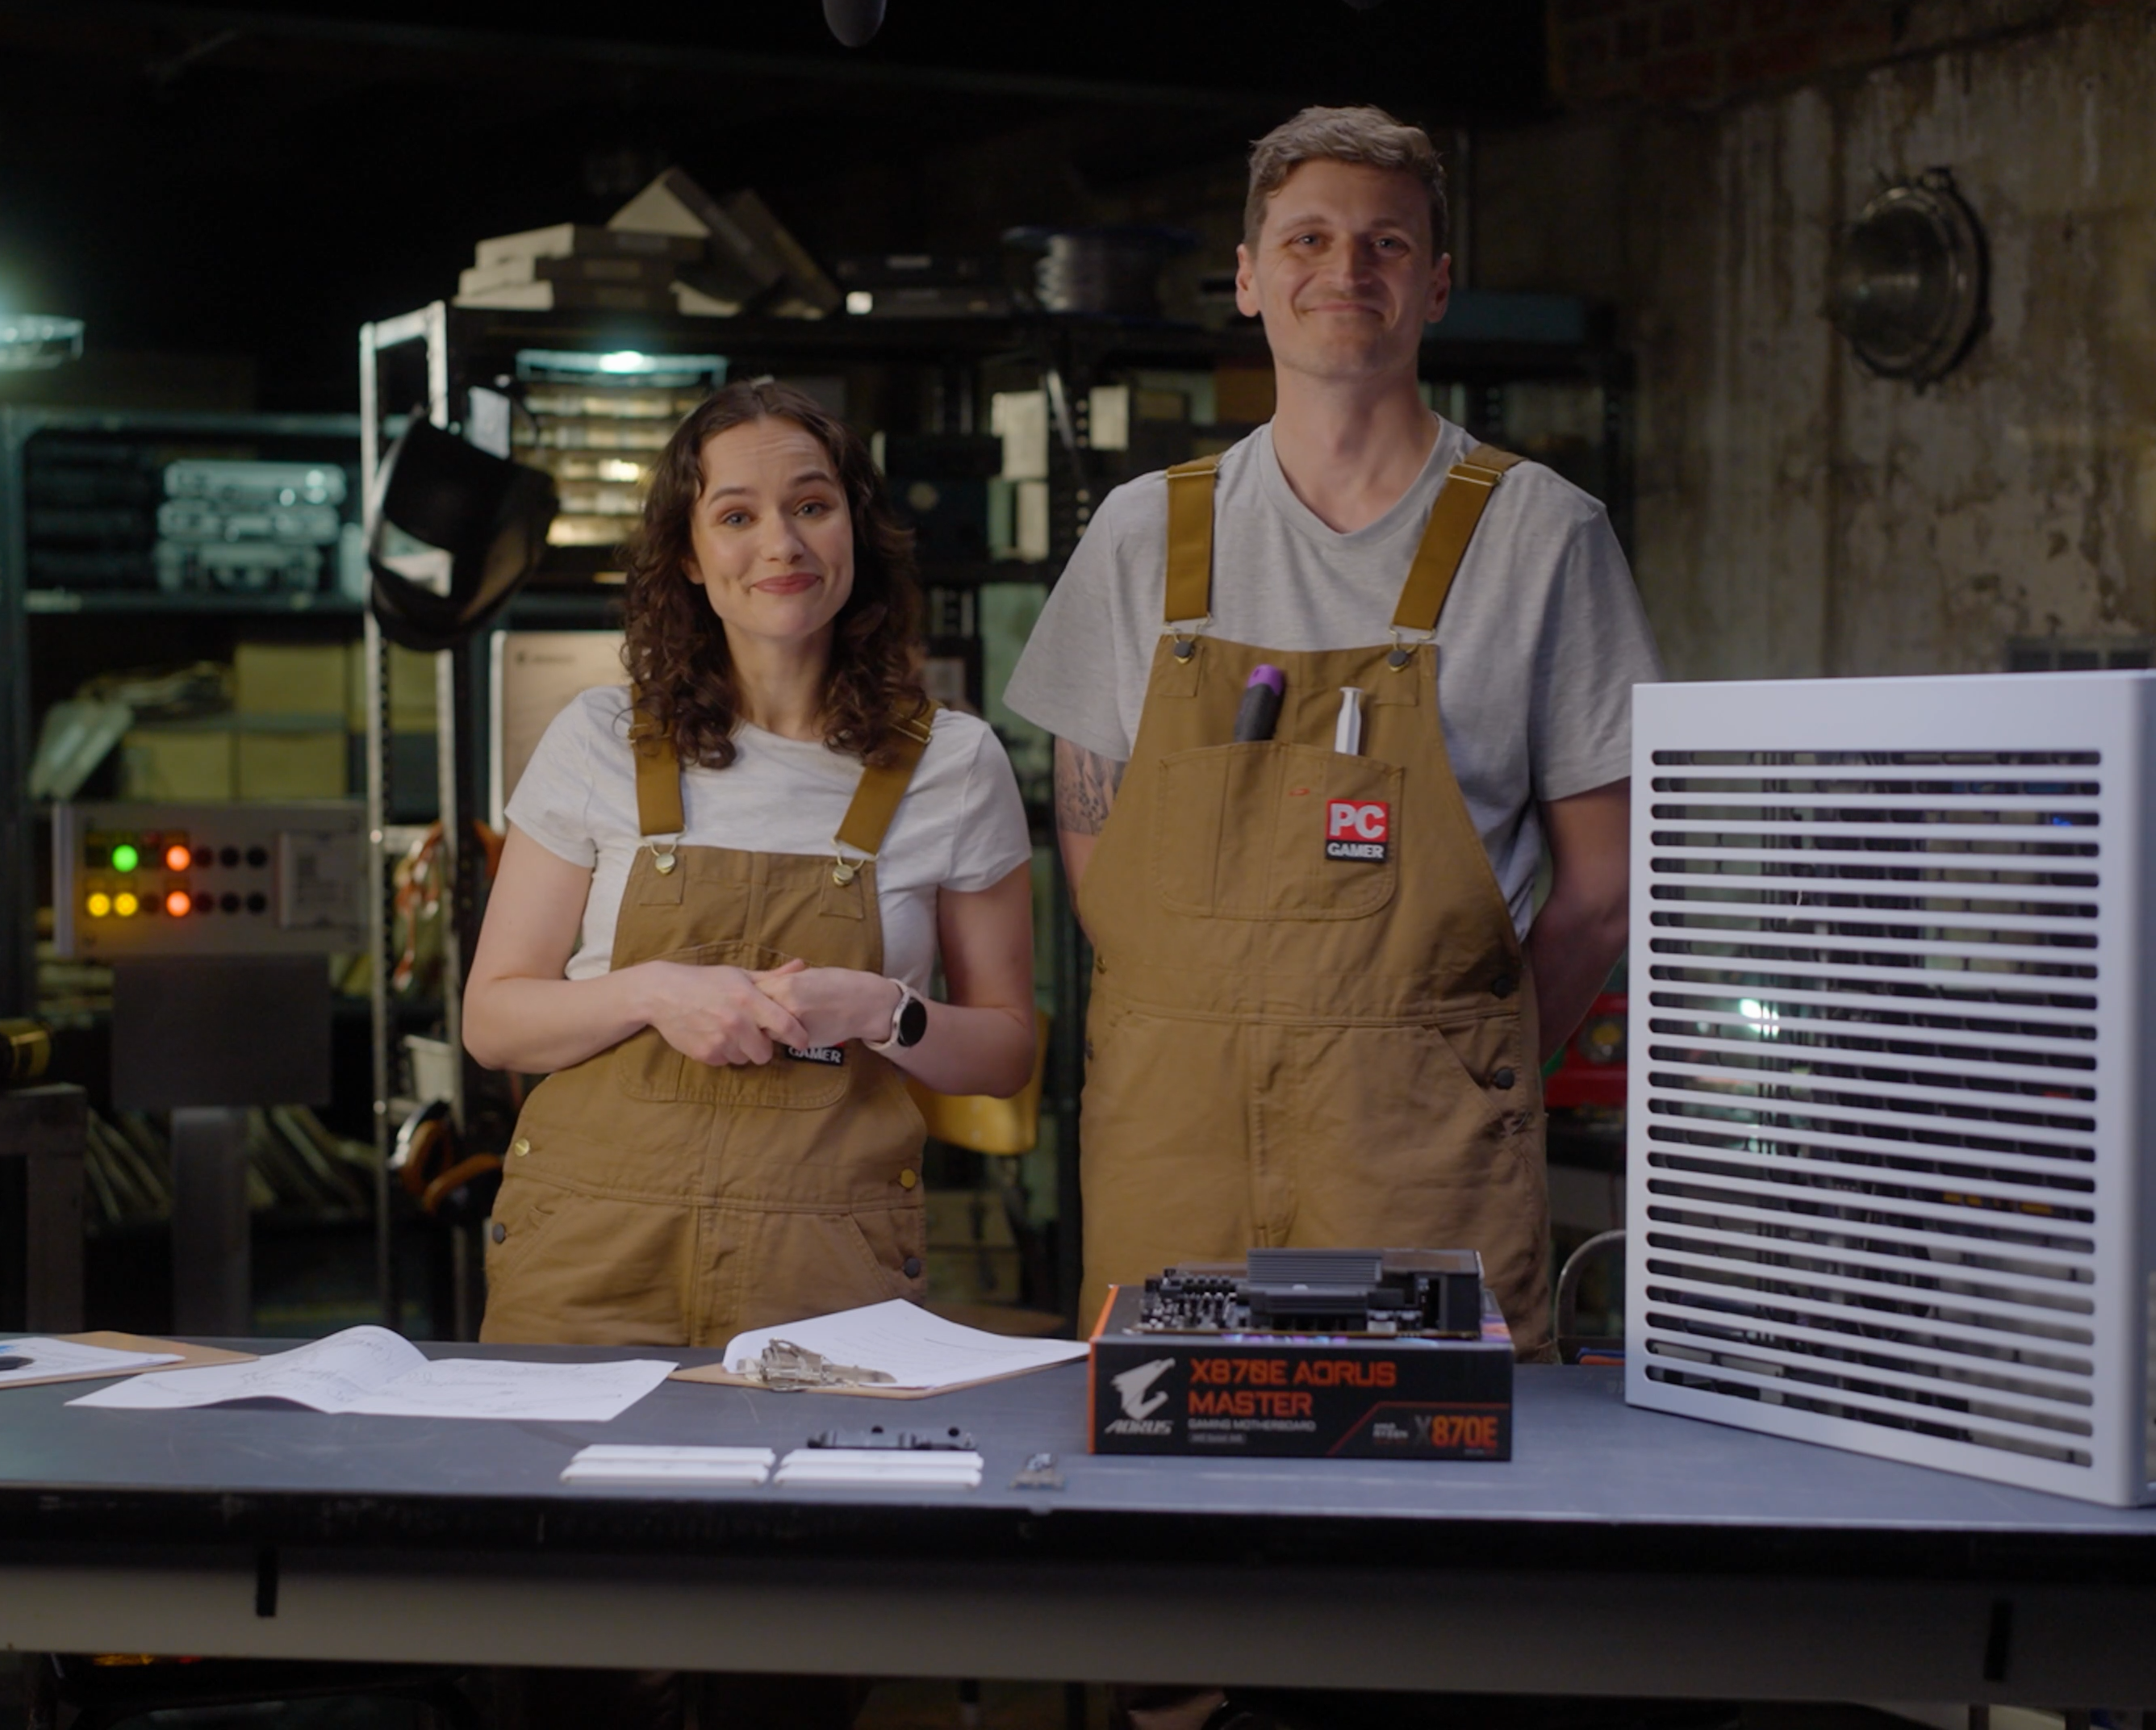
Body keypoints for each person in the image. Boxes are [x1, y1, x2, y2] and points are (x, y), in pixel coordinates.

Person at [1005, 104, 1660, 1364]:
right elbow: (1101, 863)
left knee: (1436, 1464)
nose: (1346, 270)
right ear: (1249, 279)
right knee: (1170, 1453)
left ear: (1437, 285)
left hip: (1422, 1156)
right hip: (1174, 1146)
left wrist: (1453, 1065)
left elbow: (1602, 890)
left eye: (1387, 244)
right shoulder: (1142, 535)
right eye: (1306, 239)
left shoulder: (1542, 536)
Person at [463, 378, 1038, 1349]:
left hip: (827, 1274)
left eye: (812, 506)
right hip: (587, 1263)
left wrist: (882, 1011)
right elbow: (493, 1022)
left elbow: (1008, 1051)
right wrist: (654, 993)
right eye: (737, 516)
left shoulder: (954, 763)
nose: (782, 544)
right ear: (689, 556)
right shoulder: (599, 737)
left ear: (856, 530)